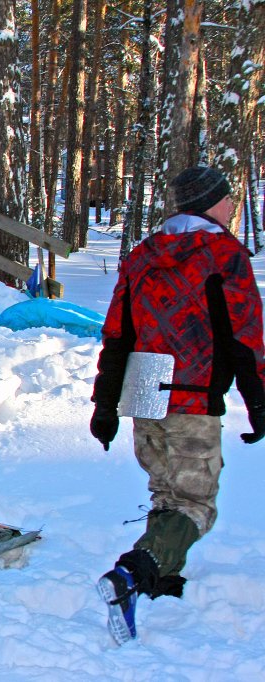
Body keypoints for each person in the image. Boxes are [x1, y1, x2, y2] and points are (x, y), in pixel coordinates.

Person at [90, 166, 265, 645]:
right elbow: (245, 338)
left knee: (166, 492)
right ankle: (133, 573)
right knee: (195, 505)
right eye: (228, 199)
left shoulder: (145, 254)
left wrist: (105, 406)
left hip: (145, 396)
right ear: (210, 203)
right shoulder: (224, 255)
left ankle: (164, 578)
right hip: (193, 397)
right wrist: (258, 400)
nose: (232, 207)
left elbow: (117, 334)